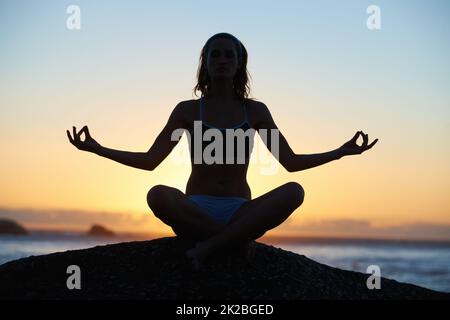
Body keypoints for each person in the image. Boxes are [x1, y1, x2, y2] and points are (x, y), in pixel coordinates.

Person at [67, 32, 378, 270]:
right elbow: (151, 161)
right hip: (195, 208)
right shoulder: (187, 111)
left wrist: (340, 151)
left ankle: (207, 248)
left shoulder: (255, 112)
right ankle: (234, 241)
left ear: (239, 63)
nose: (222, 60)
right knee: (157, 194)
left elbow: (290, 162)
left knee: (294, 191)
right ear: (206, 63)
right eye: (215, 55)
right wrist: (98, 149)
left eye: (229, 55)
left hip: (240, 208)